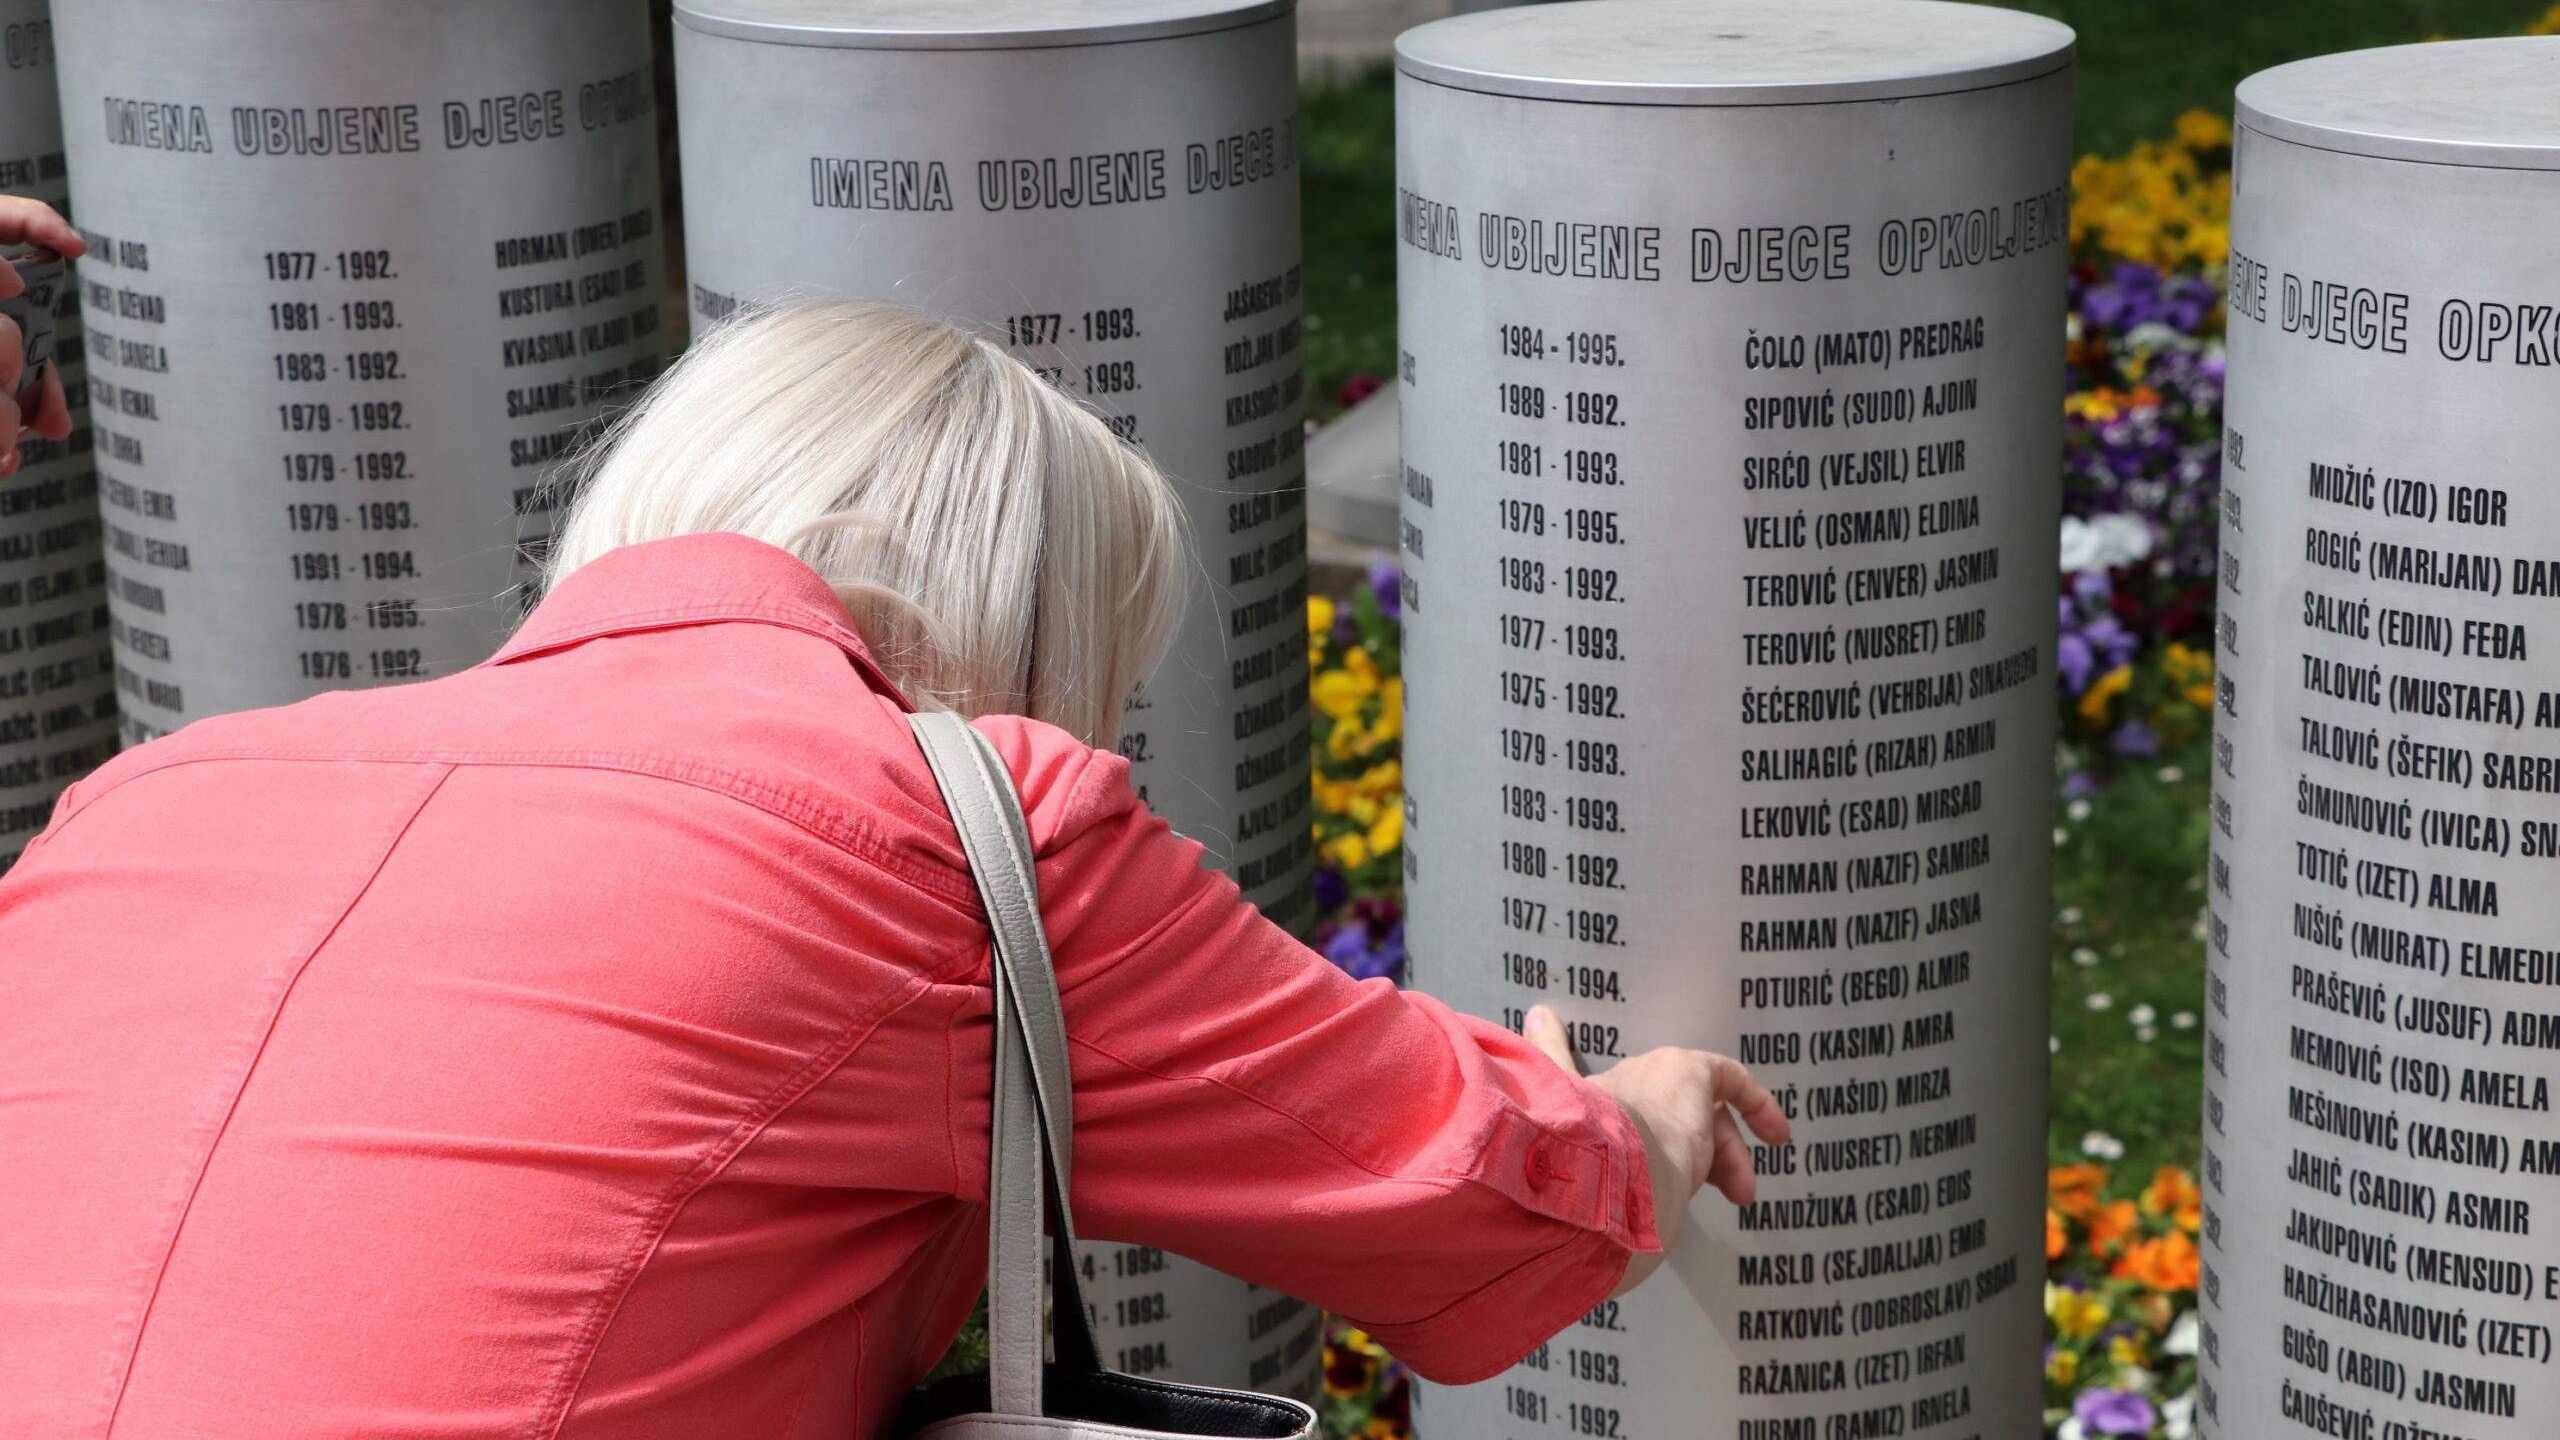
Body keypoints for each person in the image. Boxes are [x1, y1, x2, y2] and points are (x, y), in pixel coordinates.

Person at [0, 288, 1787, 1439]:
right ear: (1034, 628)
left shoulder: (148, 794)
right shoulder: (958, 824)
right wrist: (1635, 1117)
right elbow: (1475, 1204)